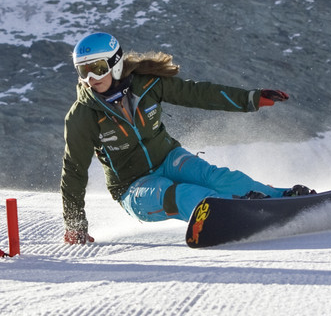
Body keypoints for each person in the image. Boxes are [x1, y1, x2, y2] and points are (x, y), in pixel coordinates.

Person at [61, 32, 314, 244]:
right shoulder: (83, 116)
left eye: (97, 69)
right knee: (183, 195)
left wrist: (249, 99)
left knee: (218, 178)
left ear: (115, 64)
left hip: (169, 158)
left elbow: (198, 94)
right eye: (83, 72)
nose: (90, 79)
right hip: (132, 186)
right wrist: (75, 225)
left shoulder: (146, 85)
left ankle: (282, 199)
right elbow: (74, 170)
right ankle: (239, 212)